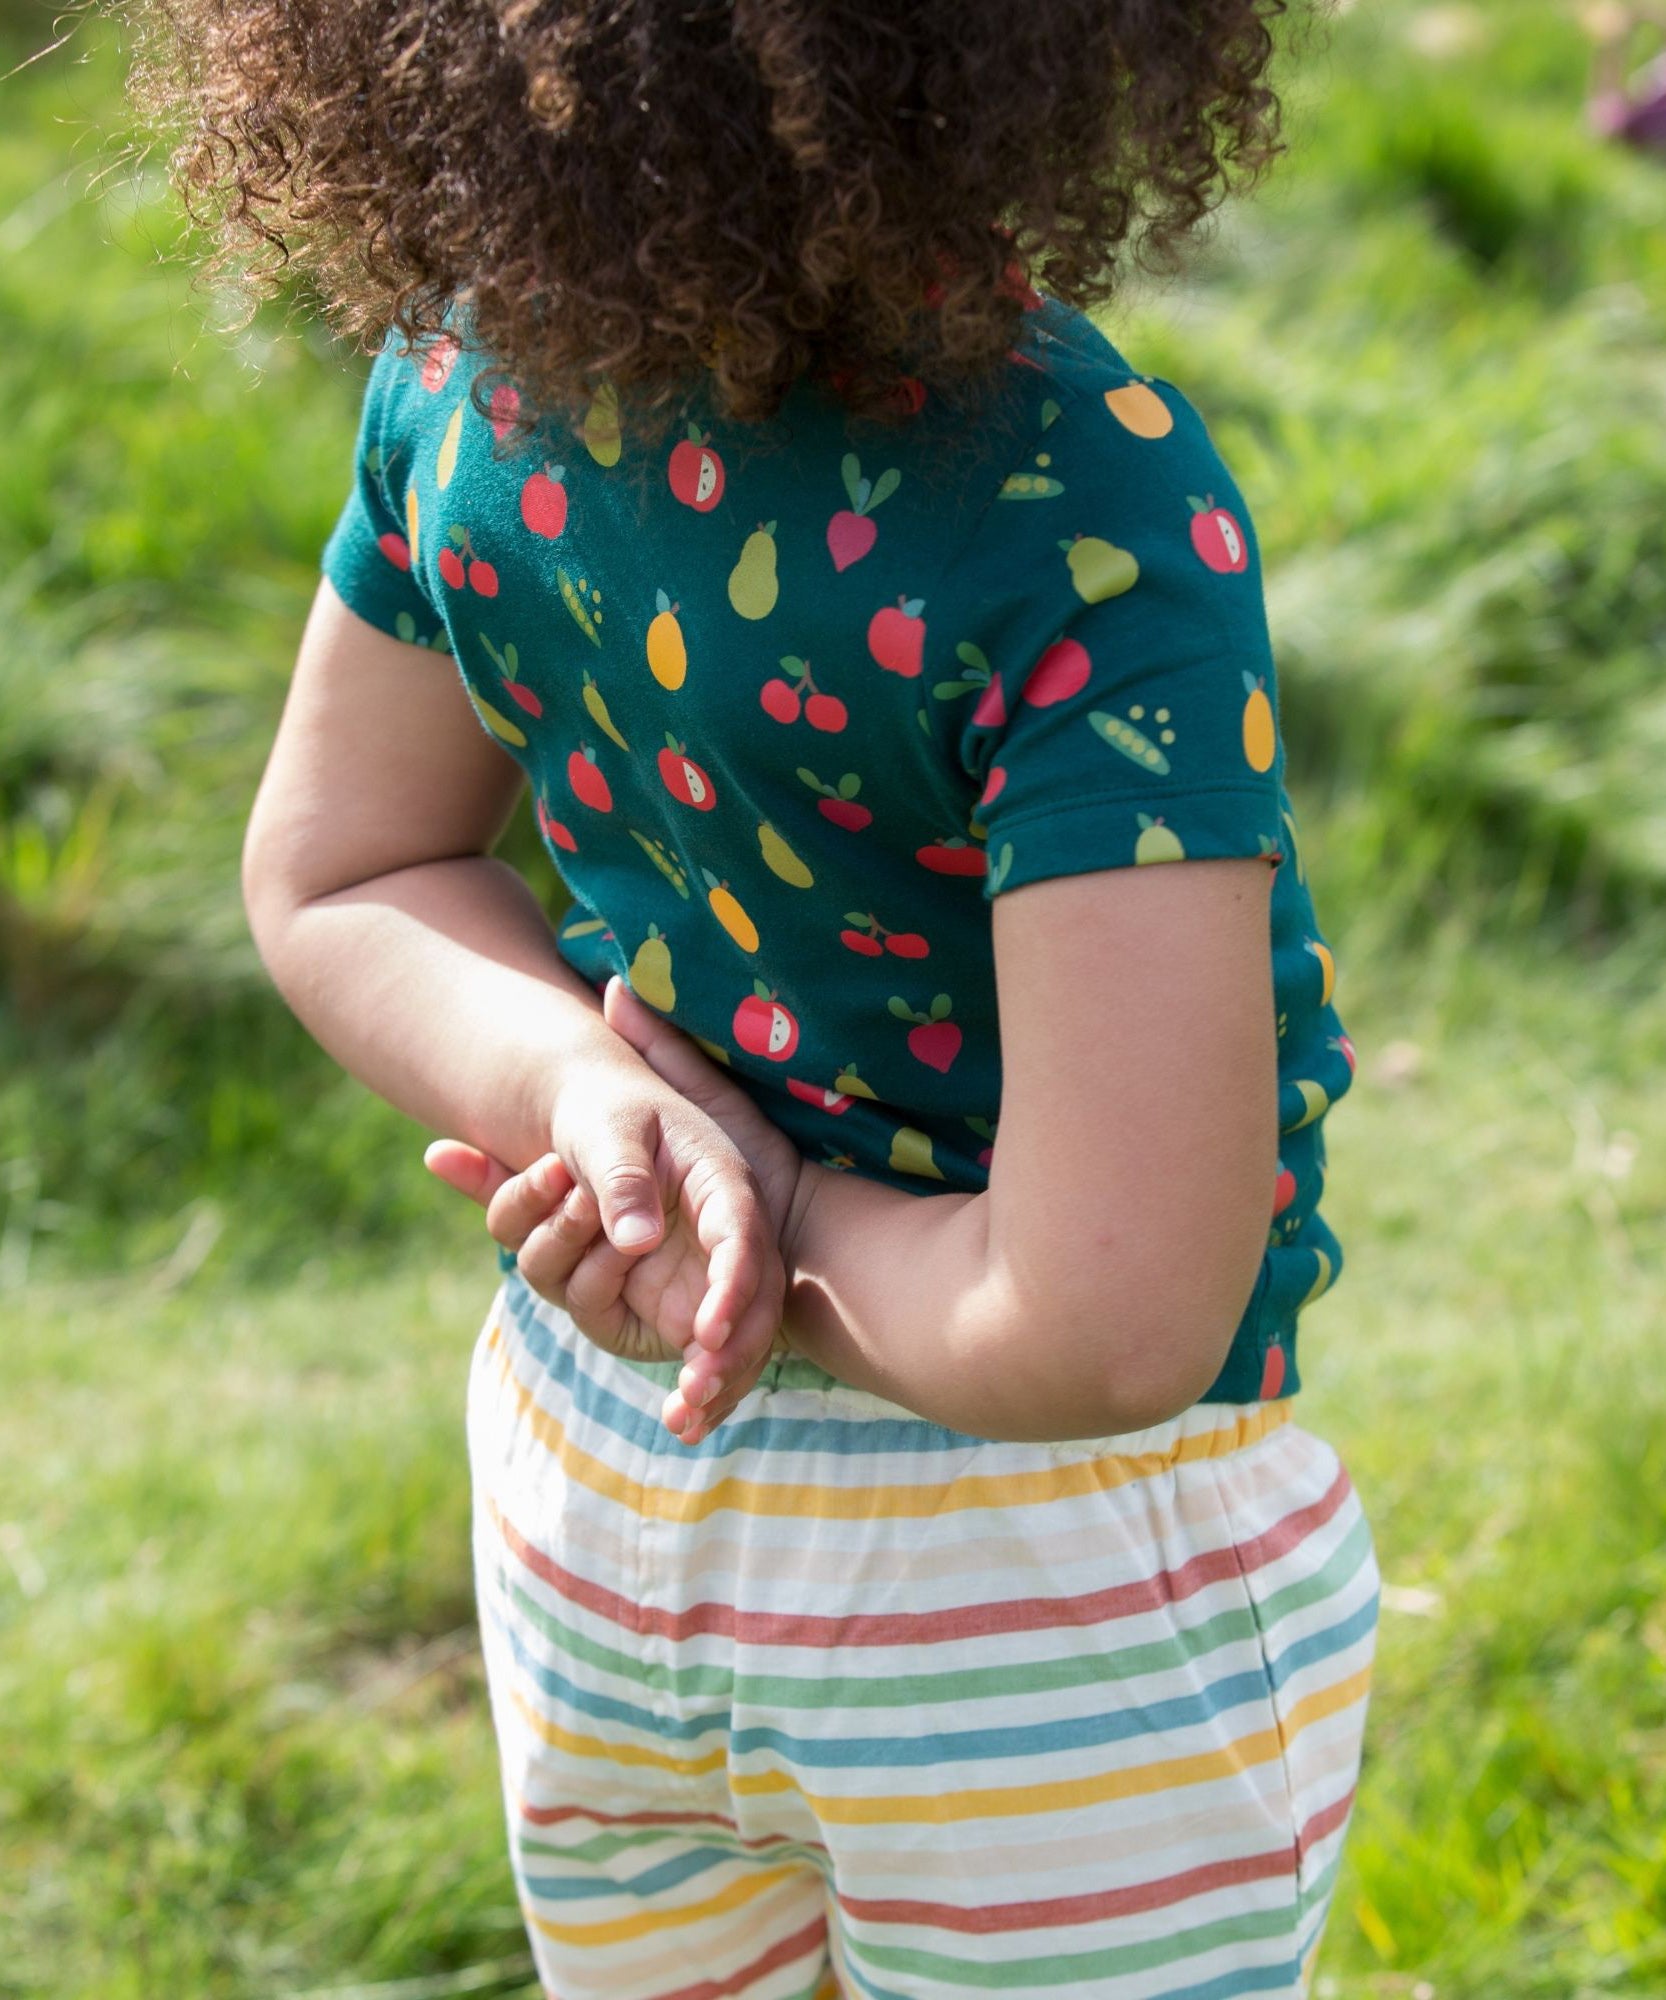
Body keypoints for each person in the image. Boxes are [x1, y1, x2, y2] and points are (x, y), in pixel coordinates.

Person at [141, 0, 1381, 1991]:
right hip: (1029, 1594)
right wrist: (775, 1212)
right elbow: (1109, 1311)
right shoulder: (1079, 496)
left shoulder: (468, 375)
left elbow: (343, 866)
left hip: (600, 1470)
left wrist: (584, 1102)